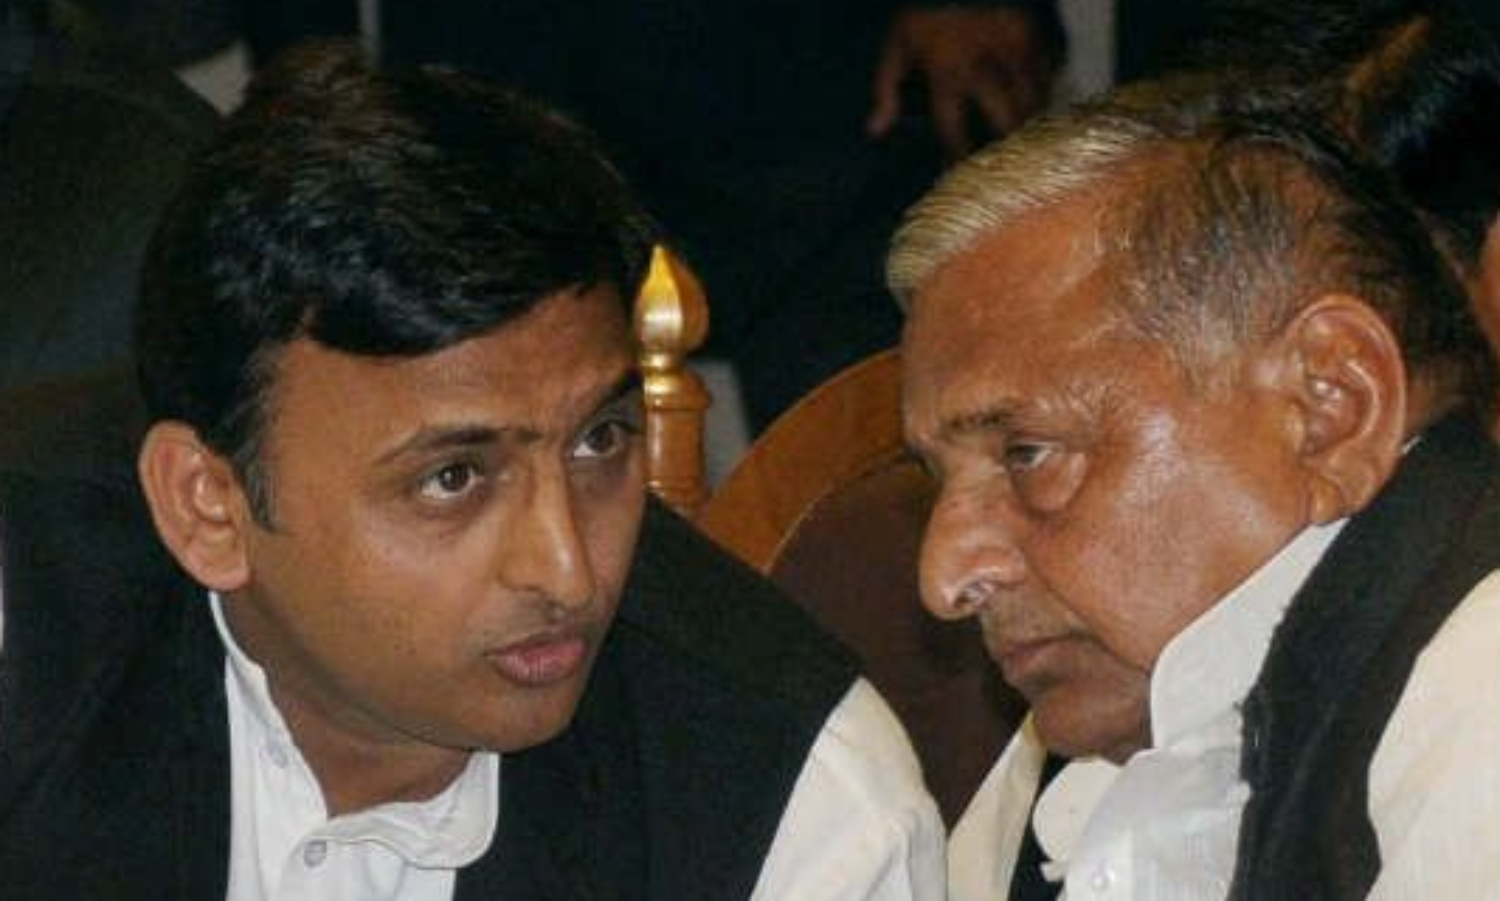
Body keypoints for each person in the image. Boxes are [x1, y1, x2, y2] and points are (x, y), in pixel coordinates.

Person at [0, 41, 944, 900]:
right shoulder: (26, 614)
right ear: (208, 505)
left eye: (598, 442)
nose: (567, 571)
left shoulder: (796, 806)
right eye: (453, 478)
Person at [890, 86, 1500, 899]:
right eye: (939, 483)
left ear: (1329, 405)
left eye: (1028, 452)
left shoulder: (1481, 685)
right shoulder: (1096, 733)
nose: (945, 577)